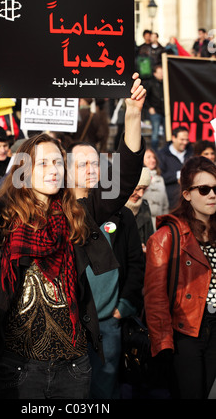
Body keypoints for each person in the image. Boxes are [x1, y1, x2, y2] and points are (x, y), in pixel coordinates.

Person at [0, 72, 146, 399]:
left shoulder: (79, 213)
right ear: (24, 169)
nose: (54, 169)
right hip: (17, 367)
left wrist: (132, 113)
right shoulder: (3, 220)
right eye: (43, 163)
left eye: (58, 162)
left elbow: (126, 176)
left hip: (73, 366)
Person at [67, 140, 144, 399]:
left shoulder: (121, 215)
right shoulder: (58, 215)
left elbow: (136, 263)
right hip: (68, 326)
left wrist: (124, 306)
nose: (91, 169)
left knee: (105, 392)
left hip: (108, 324)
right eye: (82, 164)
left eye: (95, 163)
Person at [144, 156, 216, 399]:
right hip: (186, 333)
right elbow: (155, 298)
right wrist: (163, 343)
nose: (212, 195)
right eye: (204, 189)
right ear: (186, 194)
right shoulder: (166, 237)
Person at [158, 126, 193, 210]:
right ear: (173, 138)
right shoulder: (162, 154)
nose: (185, 142)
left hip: (190, 203)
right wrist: (177, 175)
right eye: (182, 139)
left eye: (187, 140)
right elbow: (159, 176)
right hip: (171, 203)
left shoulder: (192, 152)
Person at [125, 167, 154, 252]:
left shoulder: (144, 206)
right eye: (137, 189)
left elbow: (149, 238)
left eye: (144, 189)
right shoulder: (112, 208)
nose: (141, 194)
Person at [143, 148, 169, 230]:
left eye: (154, 157)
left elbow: (165, 204)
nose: (153, 160)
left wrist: (165, 222)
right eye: (149, 157)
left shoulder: (160, 179)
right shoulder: (137, 177)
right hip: (144, 223)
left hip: (159, 223)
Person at [144, 64, 165, 151]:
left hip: (165, 112)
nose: (161, 74)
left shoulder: (166, 83)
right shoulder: (150, 84)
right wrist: (149, 107)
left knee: (166, 133)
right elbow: (145, 97)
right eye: (159, 73)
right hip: (155, 111)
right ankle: (154, 151)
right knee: (155, 133)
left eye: (162, 72)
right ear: (155, 74)